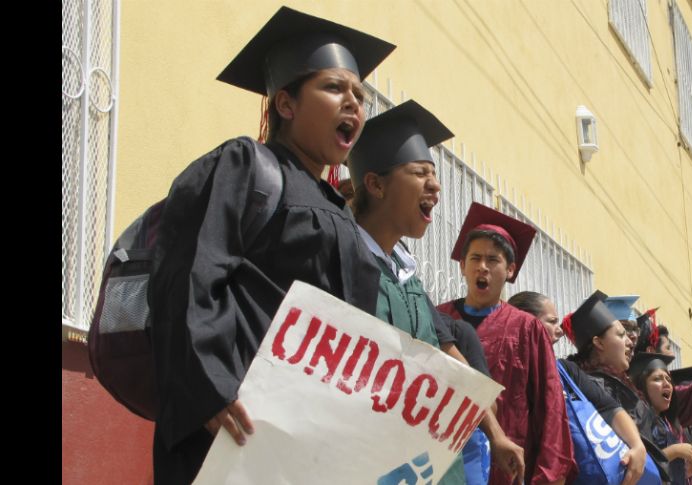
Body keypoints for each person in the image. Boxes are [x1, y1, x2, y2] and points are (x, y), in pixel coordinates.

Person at [148, 7, 396, 483]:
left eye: (360, 95)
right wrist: (212, 390)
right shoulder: (248, 167)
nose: (354, 104)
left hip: (303, 444)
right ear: (285, 104)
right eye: (334, 88)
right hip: (230, 431)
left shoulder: (336, 210)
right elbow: (189, 275)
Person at [348, 100, 524, 485]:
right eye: (419, 173)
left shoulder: (405, 270)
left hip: (423, 455)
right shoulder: (342, 253)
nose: (435, 184)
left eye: (435, 173)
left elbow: (447, 356)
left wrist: (496, 434)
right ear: (375, 184)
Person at [437, 202, 577, 485]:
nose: (483, 267)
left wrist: (548, 475)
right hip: (438, 457)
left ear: (511, 270)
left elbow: (549, 405)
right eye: (475, 258)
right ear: (462, 265)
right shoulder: (438, 317)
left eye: (493, 260)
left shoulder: (527, 329)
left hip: (503, 467)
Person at [509, 291, 647, 484]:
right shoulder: (505, 373)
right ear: (526, 322)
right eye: (551, 322)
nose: (559, 331)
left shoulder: (566, 372)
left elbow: (609, 407)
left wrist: (637, 445)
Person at [562, 291, 671, 482]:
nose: (631, 342)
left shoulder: (621, 385)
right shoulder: (595, 387)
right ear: (598, 343)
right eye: (622, 334)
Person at [630, 353, 692, 485]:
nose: (667, 383)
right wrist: (675, 451)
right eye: (657, 378)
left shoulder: (669, 424)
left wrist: (687, 469)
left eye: (668, 379)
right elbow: (638, 465)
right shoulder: (635, 422)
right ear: (641, 386)